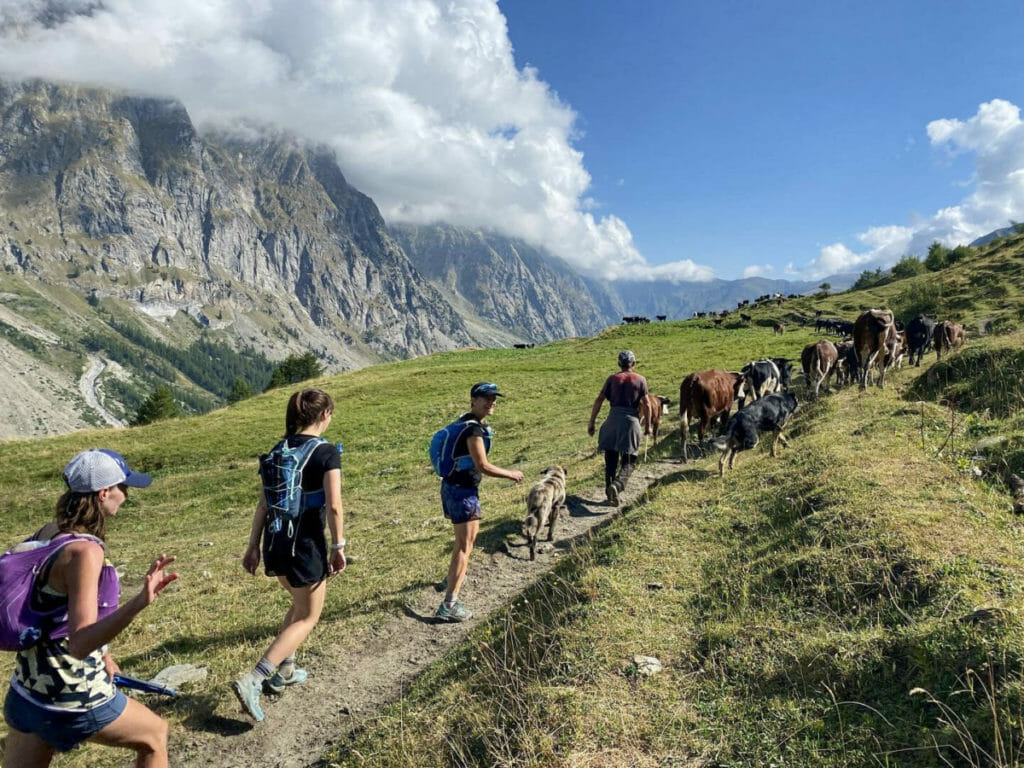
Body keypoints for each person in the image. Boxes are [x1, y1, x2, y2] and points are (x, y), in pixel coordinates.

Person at [3, 449, 177, 768]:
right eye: (123, 488)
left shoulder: (49, 533)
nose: (126, 496)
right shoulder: (85, 553)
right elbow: (81, 643)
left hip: (26, 695)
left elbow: (57, 611)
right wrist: (139, 602)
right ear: (103, 493)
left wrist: (106, 657)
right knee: (155, 735)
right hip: (72, 697)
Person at [233, 388, 346, 722]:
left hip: (275, 542)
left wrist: (253, 547)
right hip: (306, 544)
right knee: (309, 616)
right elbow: (334, 506)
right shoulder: (325, 452)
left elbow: (263, 504)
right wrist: (339, 547)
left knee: (298, 605)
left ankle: (285, 671)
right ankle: (254, 679)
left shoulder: (278, 449)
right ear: (324, 414)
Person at [436, 382, 523, 623]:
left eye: (494, 398)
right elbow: (482, 465)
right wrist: (511, 474)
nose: (491, 402)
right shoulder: (473, 430)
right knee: (465, 547)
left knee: (462, 544)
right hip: (463, 493)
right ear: (473, 400)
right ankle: (449, 604)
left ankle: (452, 578)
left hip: (452, 487)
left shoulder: (463, 422)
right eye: (486, 398)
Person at [587, 350, 649, 506]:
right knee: (629, 460)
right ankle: (618, 485)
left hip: (612, 421)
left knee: (611, 460)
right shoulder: (640, 380)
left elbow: (599, 400)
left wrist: (592, 422)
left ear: (619, 364)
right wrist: (648, 425)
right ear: (633, 363)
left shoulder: (612, 379)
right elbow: (647, 404)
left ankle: (610, 494)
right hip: (630, 423)